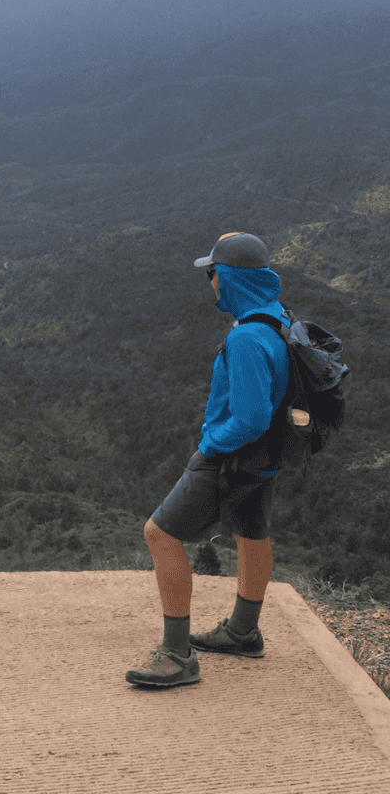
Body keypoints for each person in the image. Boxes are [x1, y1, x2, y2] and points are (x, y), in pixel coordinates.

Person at [125, 231, 290, 688]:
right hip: (263, 459)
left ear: (231, 278)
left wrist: (211, 444)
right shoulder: (276, 320)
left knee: (158, 534)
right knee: (251, 533)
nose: (211, 282)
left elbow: (252, 417)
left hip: (228, 458)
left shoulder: (246, 339)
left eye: (214, 273)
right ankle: (243, 631)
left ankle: (178, 655)